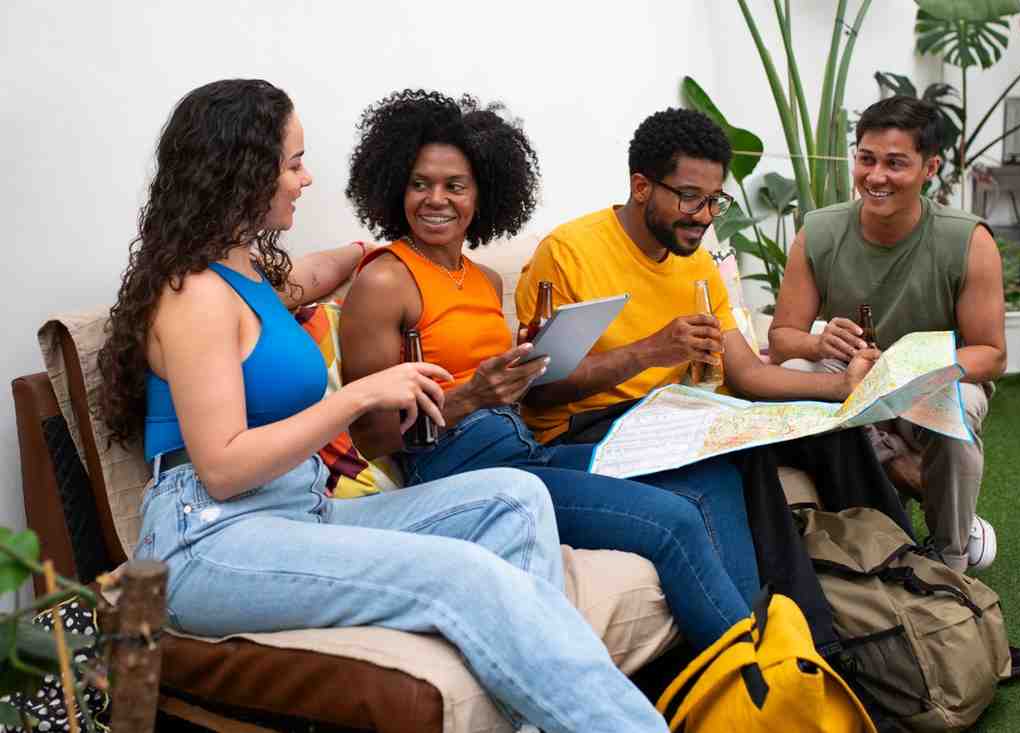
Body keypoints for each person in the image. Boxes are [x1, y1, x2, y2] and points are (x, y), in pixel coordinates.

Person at [95, 79, 668, 733]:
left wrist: (363, 255)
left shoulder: (245, 273)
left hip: (298, 512)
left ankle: (540, 714)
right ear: (244, 171)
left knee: (514, 498)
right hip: (210, 540)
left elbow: (308, 275)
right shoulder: (194, 295)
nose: (306, 179)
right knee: (461, 576)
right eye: (293, 162)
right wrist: (363, 393)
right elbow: (223, 466)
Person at [340, 89, 761, 653]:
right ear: (397, 188)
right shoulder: (385, 280)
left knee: (713, 475)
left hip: (522, 454)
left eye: (454, 186)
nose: (436, 200)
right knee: (673, 522)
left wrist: (535, 362)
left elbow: (510, 393)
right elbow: (367, 435)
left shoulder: (484, 279)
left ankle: (764, 650)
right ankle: (749, 674)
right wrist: (471, 396)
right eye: (421, 184)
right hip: (459, 474)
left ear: (481, 194)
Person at [514, 107, 915, 651]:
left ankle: (914, 588)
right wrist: (653, 349)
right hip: (589, 431)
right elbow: (541, 388)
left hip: (678, 418)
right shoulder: (569, 253)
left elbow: (747, 373)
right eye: (689, 198)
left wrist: (841, 392)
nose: (704, 217)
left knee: (829, 429)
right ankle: (816, 647)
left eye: (714, 201)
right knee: (739, 454)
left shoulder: (696, 263)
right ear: (640, 186)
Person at [768, 96, 1005, 573]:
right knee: (794, 373)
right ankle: (854, 518)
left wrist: (924, 369)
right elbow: (782, 339)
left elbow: (992, 355)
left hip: (933, 376)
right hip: (852, 373)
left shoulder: (967, 239)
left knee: (957, 409)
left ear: (929, 168)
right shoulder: (819, 231)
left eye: (895, 163)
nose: (875, 177)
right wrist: (818, 342)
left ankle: (949, 558)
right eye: (866, 159)